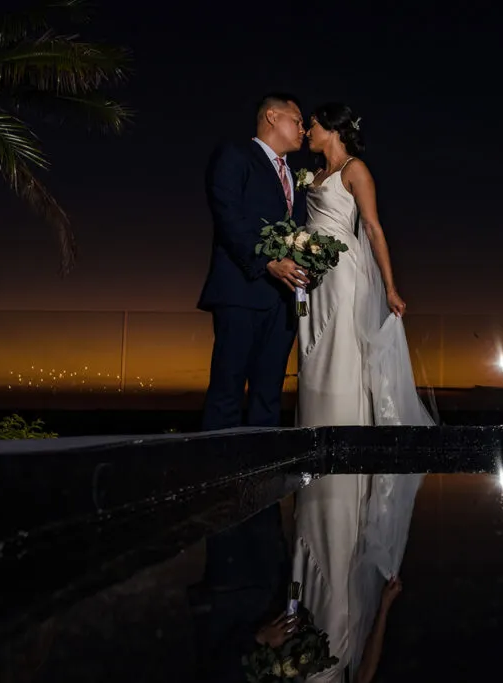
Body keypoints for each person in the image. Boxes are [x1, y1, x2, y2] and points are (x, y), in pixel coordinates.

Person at [291, 102, 433, 682]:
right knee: (314, 355)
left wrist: (392, 287)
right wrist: (387, 608)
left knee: (341, 353)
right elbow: (370, 665)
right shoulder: (312, 176)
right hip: (314, 275)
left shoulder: (354, 169)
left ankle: (343, 437)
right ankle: (313, 438)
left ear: (333, 130)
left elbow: (372, 226)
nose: (307, 133)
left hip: (345, 275)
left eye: (314, 125)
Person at [193, 92, 310, 682]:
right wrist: (267, 263)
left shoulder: (293, 174)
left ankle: (261, 493)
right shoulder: (236, 154)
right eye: (296, 118)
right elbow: (227, 212)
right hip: (243, 286)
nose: (303, 125)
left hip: (281, 297)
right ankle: (213, 490)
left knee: (267, 394)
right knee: (226, 391)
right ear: (272, 119)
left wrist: (298, 267)